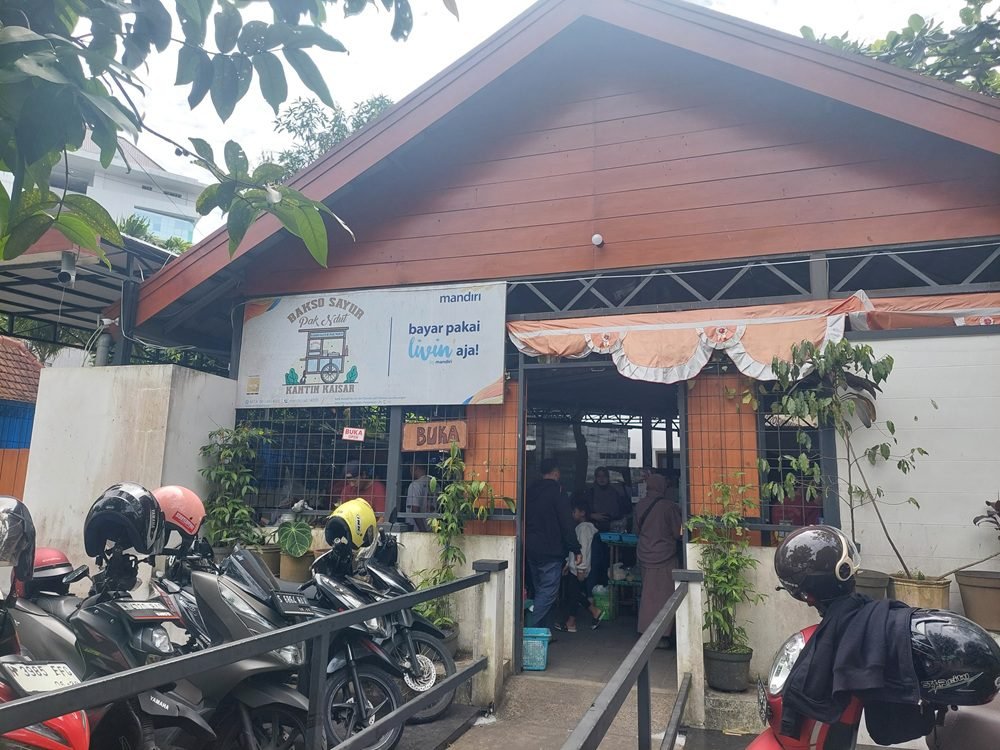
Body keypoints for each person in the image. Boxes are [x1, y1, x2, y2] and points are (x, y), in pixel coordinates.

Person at [525, 459, 581, 630]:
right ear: (556, 473)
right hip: (550, 551)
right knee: (548, 592)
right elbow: (566, 523)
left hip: (530, 549)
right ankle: (530, 630)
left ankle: (543, 633)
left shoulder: (529, 491)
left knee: (540, 589)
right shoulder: (558, 493)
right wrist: (575, 548)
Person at [636, 472, 683, 646]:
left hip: (644, 554)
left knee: (647, 594)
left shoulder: (640, 505)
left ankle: (643, 629)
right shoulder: (668, 507)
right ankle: (661, 635)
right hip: (665, 556)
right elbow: (677, 532)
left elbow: (637, 530)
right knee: (664, 596)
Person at [555, 498, 603, 632]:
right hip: (574, 566)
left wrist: (580, 568)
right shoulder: (582, 528)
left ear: (582, 513)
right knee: (574, 593)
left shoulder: (584, 529)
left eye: (574, 511)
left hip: (578, 568)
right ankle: (594, 612)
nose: (572, 514)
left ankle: (572, 622)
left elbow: (583, 550)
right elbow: (575, 550)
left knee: (573, 595)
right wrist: (568, 563)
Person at [406, 463, 432, 531]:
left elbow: (415, 510)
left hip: (416, 530)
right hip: (433, 528)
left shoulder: (415, 485)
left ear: (414, 468)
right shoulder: (435, 484)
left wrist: (423, 530)